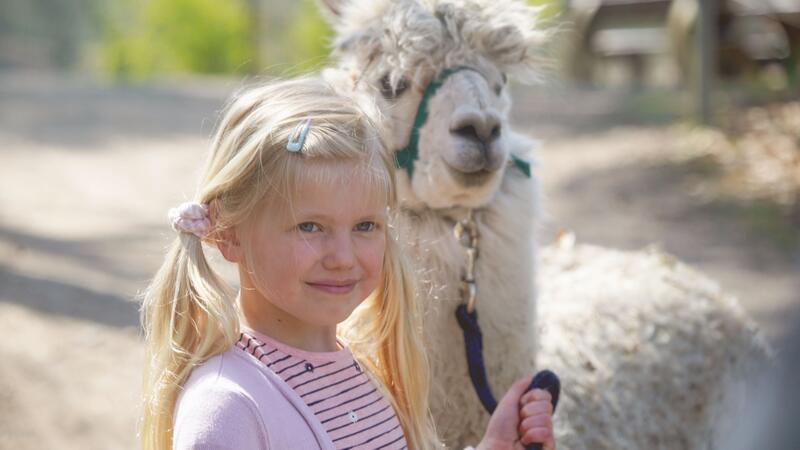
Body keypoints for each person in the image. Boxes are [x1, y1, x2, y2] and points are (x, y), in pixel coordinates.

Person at [139, 76, 556, 450]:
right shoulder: (228, 409)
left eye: (364, 225)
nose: (343, 258)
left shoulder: (366, 376)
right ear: (228, 234)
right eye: (309, 227)